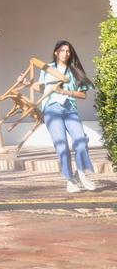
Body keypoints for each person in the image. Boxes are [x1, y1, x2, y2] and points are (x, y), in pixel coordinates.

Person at [33, 40, 98, 193]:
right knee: (62, 146)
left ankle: (81, 173)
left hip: (70, 109)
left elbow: (83, 95)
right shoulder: (47, 69)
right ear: (56, 52)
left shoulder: (74, 70)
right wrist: (26, 82)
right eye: (62, 50)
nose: (65, 53)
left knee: (81, 140)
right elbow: (40, 87)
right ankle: (70, 180)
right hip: (51, 109)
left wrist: (65, 92)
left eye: (68, 51)